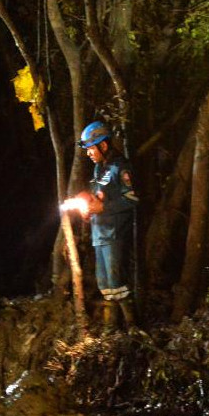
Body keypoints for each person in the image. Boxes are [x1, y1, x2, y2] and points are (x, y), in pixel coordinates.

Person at [74, 120, 138, 331]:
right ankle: (111, 330)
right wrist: (87, 211)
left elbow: (132, 199)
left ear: (103, 145)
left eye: (91, 148)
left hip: (115, 233)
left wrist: (104, 208)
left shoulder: (121, 167)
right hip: (99, 234)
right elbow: (96, 200)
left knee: (117, 282)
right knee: (105, 285)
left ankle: (133, 327)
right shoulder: (98, 171)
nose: (89, 153)